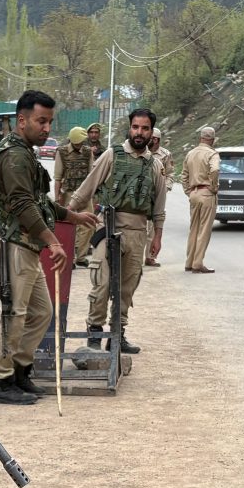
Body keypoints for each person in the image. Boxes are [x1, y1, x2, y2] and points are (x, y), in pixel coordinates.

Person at [0, 90, 99, 404]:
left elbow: (38, 202)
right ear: (22, 120)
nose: (47, 128)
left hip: (27, 244)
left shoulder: (25, 153)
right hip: (13, 243)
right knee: (12, 313)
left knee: (40, 312)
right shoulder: (13, 155)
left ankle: (20, 371)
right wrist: (53, 242)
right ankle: (1, 379)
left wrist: (73, 216)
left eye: (50, 121)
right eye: (41, 121)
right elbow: (22, 204)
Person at [68, 108, 166, 355]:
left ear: (151, 132)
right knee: (101, 283)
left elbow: (159, 206)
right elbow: (87, 188)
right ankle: (94, 336)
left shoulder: (154, 165)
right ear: (129, 128)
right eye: (135, 127)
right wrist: (67, 215)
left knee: (127, 288)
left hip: (137, 232)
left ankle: (118, 335)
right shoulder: (112, 155)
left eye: (144, 128)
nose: (139, 132)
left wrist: (157, 237)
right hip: (108, 227)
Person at [54, 125, 95, 267]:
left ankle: (81, 257)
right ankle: (69, 258)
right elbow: (58, 177)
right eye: (79, 141)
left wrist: (91, 194)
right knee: (68, 226)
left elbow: (92, 175)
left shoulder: (88, 152)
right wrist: (57, 197)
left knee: (89, 225)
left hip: (84, 195)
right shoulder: (62, 152)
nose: (81, 144)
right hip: (68, 194)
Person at [183, 126, 220, 273]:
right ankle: (198, 264)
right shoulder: (212, 154)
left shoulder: (190, 153)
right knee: (204, 230)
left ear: (200, 138)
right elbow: (215, 170)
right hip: (206, 193)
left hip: (194, 193)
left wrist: (189, 191)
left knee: (194, 229)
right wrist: (214, 186)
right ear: (212, 140)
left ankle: (189, 261)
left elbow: (184, 175)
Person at [145, 127, 174, 267]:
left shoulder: (165, 154)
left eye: (155, 139)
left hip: (157, 194)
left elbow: (169, 174)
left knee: (154, 225)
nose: (153, 141)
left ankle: (150, 256)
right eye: (151, 138)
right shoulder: (141, 151)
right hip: (142, 193)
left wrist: (166, 188)